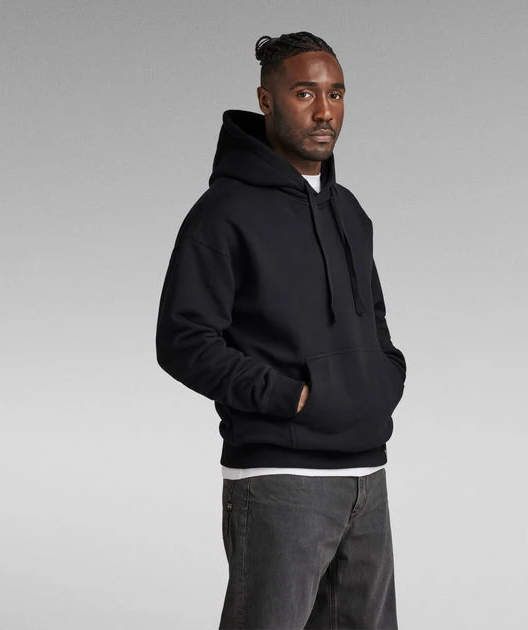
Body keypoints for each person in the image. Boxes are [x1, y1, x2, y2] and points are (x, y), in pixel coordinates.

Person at [156, 31, 406, 630]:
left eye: (336, 93)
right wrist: (289, 396)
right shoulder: (223, 213)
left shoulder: (349, 211)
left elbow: (373, 317)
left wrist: (382, 379)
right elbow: (183, 339)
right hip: (279, 479)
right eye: (304, 93)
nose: (325, 111)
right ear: (266, 101)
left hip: (366, 474)